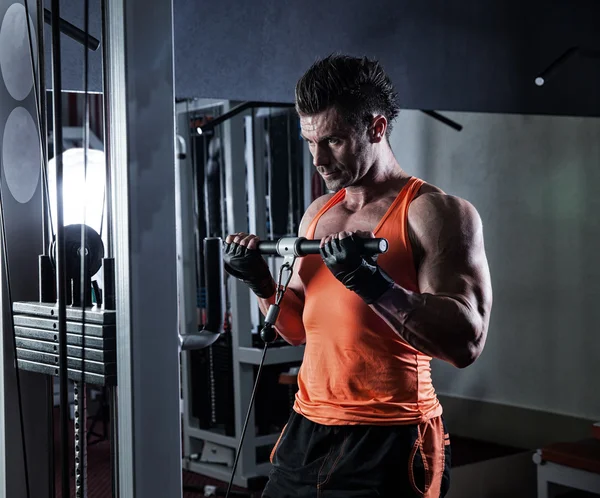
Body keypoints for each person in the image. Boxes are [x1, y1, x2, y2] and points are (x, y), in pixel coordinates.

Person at [223, 54, 493, 498]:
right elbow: (294, 330)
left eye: (333, 141)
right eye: (310, 141)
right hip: (306, 428)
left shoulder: (434, 213)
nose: (319, 159)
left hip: (389, 437)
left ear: (376, 128)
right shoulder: (319, 214)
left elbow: (467, 342)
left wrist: (374, 286)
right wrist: (261, 282)